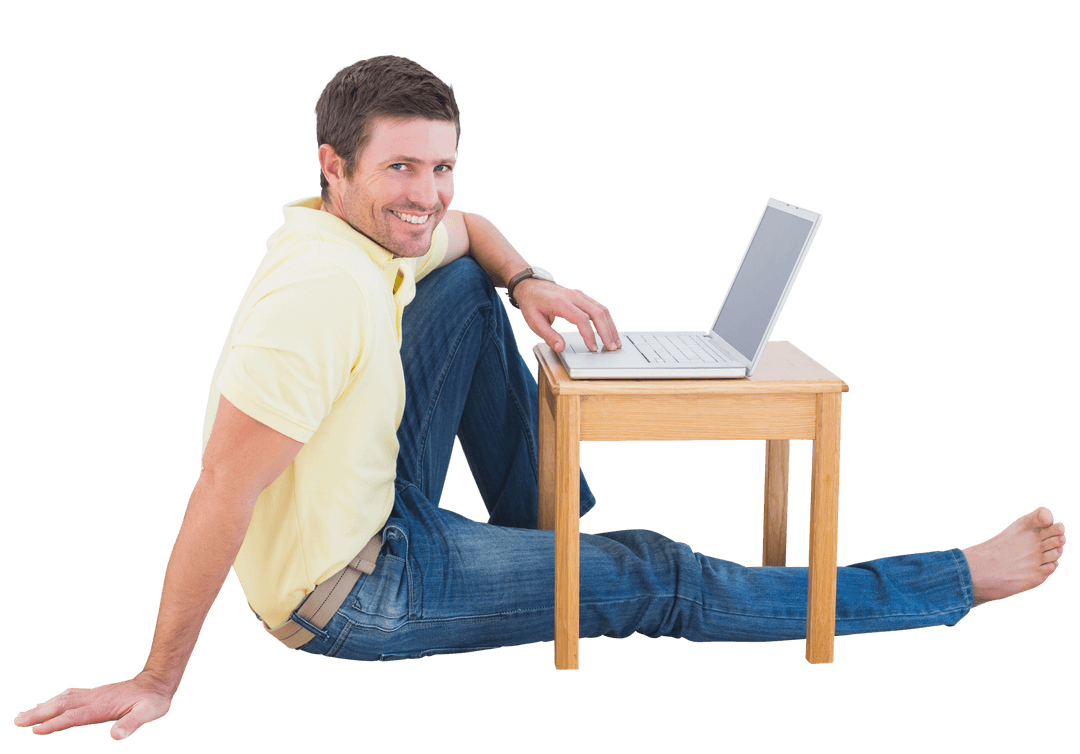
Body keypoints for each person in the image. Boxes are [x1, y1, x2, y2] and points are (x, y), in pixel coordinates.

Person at [14, 55, 1066, 742]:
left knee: (470, 284)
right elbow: (219, 493)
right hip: (357, 590)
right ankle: (946, 584)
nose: (426, 194)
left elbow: (468, 233)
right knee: (656, 570)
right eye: (401, 171)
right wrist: (157, 679)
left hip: (374, 500)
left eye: (440, 165)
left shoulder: (353, 233)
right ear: (333, 165)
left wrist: (528, 283)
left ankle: (541, 544)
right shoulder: (318, 295)